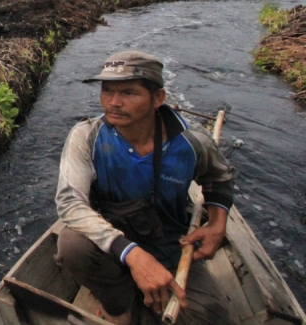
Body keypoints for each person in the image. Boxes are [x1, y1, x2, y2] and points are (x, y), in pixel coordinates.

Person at [54, 50, 235, 325]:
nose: (113, 102)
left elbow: (218, 178)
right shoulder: (87, 136)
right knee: (72, 245)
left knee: (211, 318)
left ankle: (141, 291)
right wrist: (133, 255)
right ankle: (118, 309)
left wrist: (218, 223)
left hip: (170, 245)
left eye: (128, 92)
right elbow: (69, 202)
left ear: (158, 98)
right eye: (107, 91)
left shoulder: (192, 142)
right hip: (110, 244)